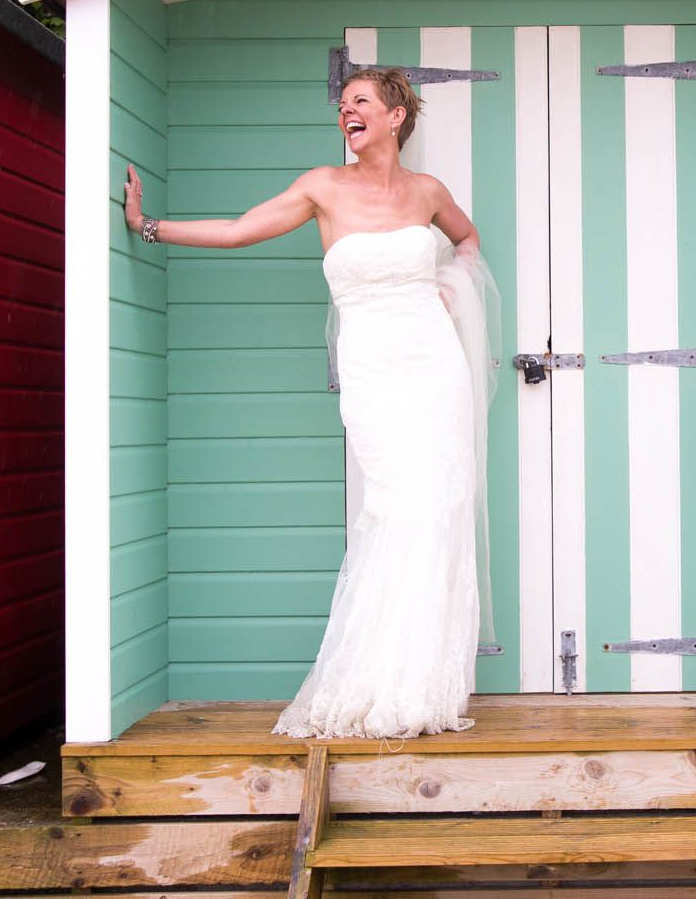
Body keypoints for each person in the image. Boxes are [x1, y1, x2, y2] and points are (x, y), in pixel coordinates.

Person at [123, 68, 493, 739]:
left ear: (394, 117)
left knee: (439, 506)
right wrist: (148, 226)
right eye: (342, 104)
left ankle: (422, 685)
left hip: (435, 366)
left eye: (360, 102)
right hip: (374, 369)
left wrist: (449, 283)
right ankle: (372, 675)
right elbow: (239, 231)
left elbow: (467, 241)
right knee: (393, 505)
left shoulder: (426, 192)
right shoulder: (322, 186)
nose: (345, 111)